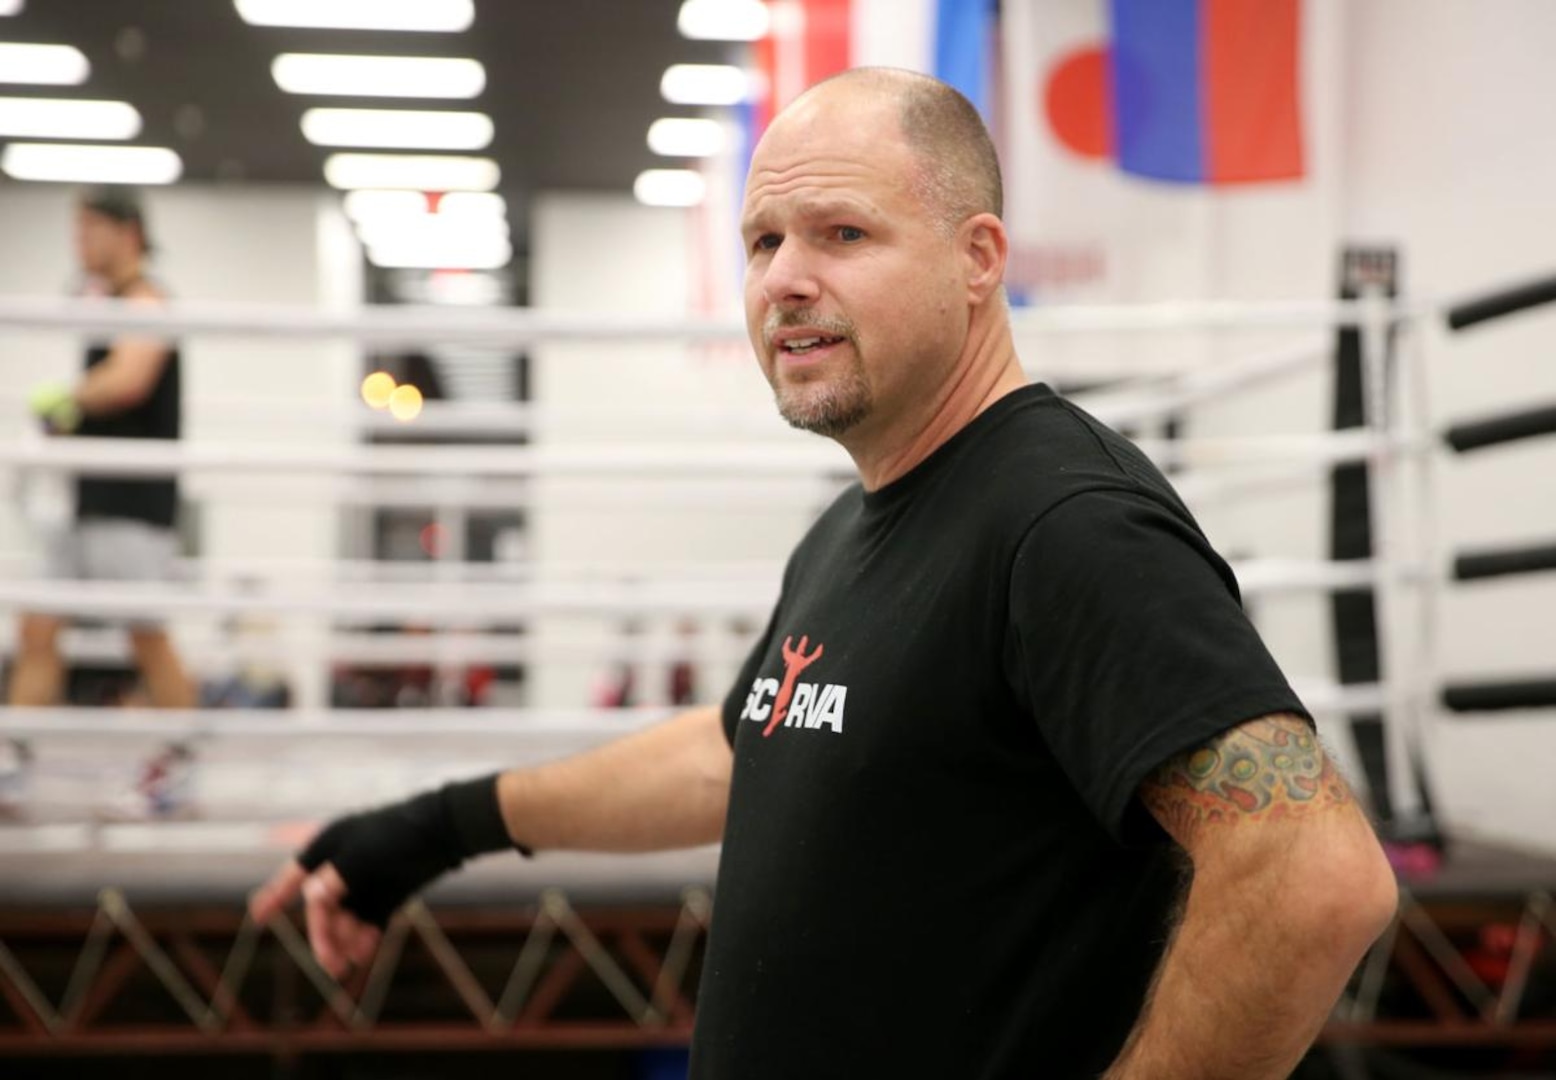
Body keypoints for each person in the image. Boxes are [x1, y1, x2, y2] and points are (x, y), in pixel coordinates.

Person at [252, 70, 1398, 1078]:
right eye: (762, 242)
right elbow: (738, 750)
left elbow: (1311, 879)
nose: (784, 280)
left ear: (976, 260)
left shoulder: (1062, 520)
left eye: (840, 234)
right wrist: (428, 828)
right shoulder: (855, 525)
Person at [5, 187, 197, 819]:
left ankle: (180, 761)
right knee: (38, 629)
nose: (78, 243)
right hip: (85, 499)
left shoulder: (148, 301)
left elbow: (130, 378)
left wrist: (71, 397)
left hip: (130, 503)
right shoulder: (106, 303)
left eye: (90, 229)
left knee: (146, 635)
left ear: (128, 232)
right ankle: (11, 760)